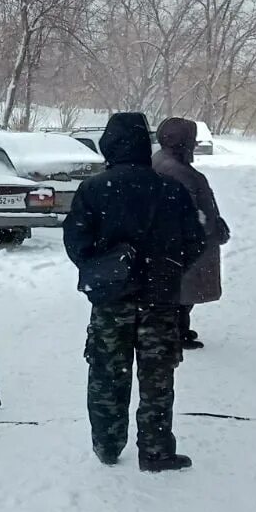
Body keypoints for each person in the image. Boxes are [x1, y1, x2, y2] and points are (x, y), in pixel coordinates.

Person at [63, 112, 207, 472]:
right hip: (160, 299)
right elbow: (194, 241)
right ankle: (156, 450)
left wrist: (103, 266)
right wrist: (168, 268)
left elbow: (76, 243)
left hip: (111, 300)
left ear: (109, 144)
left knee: (106, 374)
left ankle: (107, 445)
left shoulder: (94, 189)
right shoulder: (170, 189)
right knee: (157, 377)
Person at [152, 117, 231, 349]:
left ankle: (179, 329)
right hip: (189, 240)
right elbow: (188, 210)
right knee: (183, 290)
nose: (194, 144)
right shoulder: (175, 170)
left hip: (182, 239)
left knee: (182, 290)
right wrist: (209, 226)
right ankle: (176, 331)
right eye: (191, 139)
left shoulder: (164, 161)